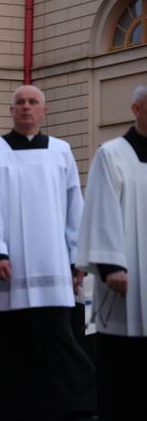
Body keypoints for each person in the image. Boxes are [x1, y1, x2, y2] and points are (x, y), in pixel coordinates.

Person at [0, 85, 95, 421]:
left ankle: (75, 404)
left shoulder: (61, 151)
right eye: (20, 103)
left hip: (51, 267)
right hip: (6, 267)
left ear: (44, 110)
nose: (26, 107)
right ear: (11, 111)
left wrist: (76, 259)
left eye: (33, 102)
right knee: (4, 343)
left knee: (57, 337)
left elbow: (74, 208)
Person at [76, 84, 147, 421]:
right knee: (125, 372)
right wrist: (111, 266)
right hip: (126, 280)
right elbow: (102, 212)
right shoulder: (113, 154)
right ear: (136, 109)